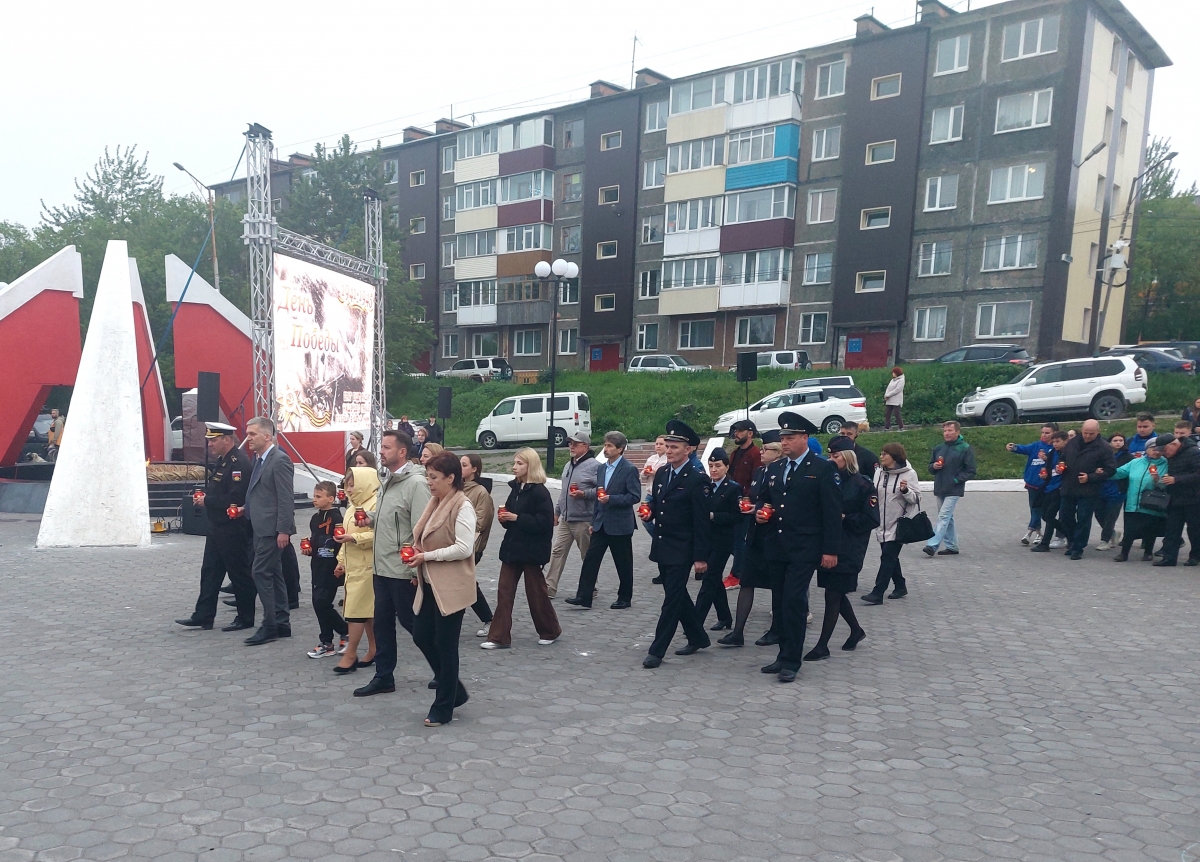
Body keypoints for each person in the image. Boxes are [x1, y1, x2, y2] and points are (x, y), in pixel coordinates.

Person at [755, 412, 841, 683]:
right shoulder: (776, 468)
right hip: (777, 545)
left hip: (805, 546)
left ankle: (792, 661)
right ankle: (782, 655)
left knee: (794, 601)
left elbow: (831, 512)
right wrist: (760, 512)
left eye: (790, 438)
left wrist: (830, 550)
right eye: (782, 438)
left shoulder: (822, 468)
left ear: (805, 438)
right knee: (779, 602)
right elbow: (766, 501)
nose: (785, 442)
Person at [353, 430, 432, 698]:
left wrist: (414, 569)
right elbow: (394, 518)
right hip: (381, 568)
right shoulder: (387, 480)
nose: (381, 452)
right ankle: (384, 676)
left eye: (386, 447)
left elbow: (420, 530)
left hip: (402, 569)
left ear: (402, 452)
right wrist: (372, 518)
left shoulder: (415, 484)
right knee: (382, 625)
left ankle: (446, 672)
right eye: (381, 447)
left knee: (415, 626)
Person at [408, 451, 477, 726]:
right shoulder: (437, 502)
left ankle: (444, 706)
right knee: (421, 635)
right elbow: (426, 536)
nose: (429, 482)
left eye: (434, 477)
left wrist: (427, 556)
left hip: (452, 585)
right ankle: (455, 689)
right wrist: (418, 552)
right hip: (429, 583)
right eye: (427, 476)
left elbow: (464, 547)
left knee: (447, 646)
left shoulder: (463, 505)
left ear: (451, 478)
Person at [639, 420, 713, 668]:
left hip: (683, 548)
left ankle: (657, 651)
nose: (669, 451)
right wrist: (650, 512)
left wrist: (701, 557)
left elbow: (702, 522)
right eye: (667, 446)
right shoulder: (661, 473)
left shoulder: (697, 479)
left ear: (688, 449)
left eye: (675, 447)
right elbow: (659, 505)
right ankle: (698, 636)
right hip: (662, 544)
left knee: (671, 600)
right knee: (677, 594)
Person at [175, 422, 257, 632]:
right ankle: (203, 615)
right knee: (210, 572)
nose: (210, 444)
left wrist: (207, 501)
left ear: (227, 440)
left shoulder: (238, 463)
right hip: (217, 527)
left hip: (231, 527)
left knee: (238, 573)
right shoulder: (223, 461)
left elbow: (235, 497)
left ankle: (246, 617)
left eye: (214, 440)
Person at [483, 448, 562, 649]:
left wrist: (517, 518)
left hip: (532, 551)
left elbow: (544, 523)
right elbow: (511, 517)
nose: (514, 467)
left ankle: (550, 630)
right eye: (515, 463)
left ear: (530, 465)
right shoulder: (516, 488)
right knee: (504, 592)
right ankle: (498, 637)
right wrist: (506, 519)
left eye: (519, 463)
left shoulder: (540, 491)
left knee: (536, 593)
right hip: (512, 549)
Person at [805, 437, 875, 660]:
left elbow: (871, 519)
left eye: (836, 456)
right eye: (830, 456)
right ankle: (856, 630)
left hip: (849, 545)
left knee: (833, 594)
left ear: (847, 457)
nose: (831, 460)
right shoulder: (828, 481)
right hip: (827, 543)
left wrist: (845, 518)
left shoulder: (862, 484)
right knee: (835, 591)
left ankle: (822, 645)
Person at [566, 431, 642, 609]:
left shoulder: (629, 469)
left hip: (620, 524)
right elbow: (598, 498)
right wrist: (594, 521)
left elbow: (634, 496)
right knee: (591, 559)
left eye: (609, 446)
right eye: (605, 445)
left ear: (620, 449)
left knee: (623, 563)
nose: (605, 449)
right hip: (601, 523)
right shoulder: (601, 468)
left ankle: (624, 598)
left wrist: (612, 499)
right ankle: (584, 596)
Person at [718, 436, 783, 647]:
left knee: (777, 584)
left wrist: (763, 509)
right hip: (755, 533)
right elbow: (755, 496)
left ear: (778, 452)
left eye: (767, 449)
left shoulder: (783, 472)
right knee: (747, 580)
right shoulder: (759, 472)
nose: (761, 452)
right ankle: (738, 632)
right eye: (762, 449)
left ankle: (776, 630)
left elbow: (781, 502)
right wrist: (747, 504)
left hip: (775, 534)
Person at [242, 417, 297, 646]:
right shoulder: (260, 459)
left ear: (267, 436)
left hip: (272, 529)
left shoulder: (279, 460)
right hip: (260, 525)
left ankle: (270, 624)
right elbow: (265, 492)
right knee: (273, 573)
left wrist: (283, 530)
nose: (248, 438)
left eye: (252, 434)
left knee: (260, 572)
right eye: (247, 434)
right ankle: (282, 622)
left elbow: (286, 499)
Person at [332, 467, 380, 673]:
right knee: (366, 611)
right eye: (347, 485)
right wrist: (341, 560)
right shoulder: (353, 506)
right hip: (354, 565)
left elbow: (380, 534)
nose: (349, 489)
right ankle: (374, 648)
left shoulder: (376, 503)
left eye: (353, 485)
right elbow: (346, 534)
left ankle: (351, 654)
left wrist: (355, 538)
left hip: (369, 565)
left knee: (355, 612)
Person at [862, 442, 921, 604]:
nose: (881, 457)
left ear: (894, 457)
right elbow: (874, 493)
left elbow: (916, 499)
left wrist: (905, 491)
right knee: (890, 557)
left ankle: (877, 592)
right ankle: (900, 585)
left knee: (887, 557)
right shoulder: (879, 473)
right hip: (881, 521)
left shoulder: (909, 474)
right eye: (881, 453)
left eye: (884, 454)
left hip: (899, 523)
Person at [691, 448, 741, 632]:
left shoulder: (733, 488)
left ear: (726, 467)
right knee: (714, 580)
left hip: (722, 541)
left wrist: (714, 516)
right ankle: (725, 617)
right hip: (706, 539)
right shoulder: (705, 486)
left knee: (709, 580)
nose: (714, 469)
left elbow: (737, 516)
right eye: (711, 466)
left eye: (718, 466)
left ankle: (695, 622)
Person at [545, 432, 599, 598]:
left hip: (584, 519)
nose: (572, 446)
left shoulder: (594, 466)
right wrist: (556, 511)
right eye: (570, 443)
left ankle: (591, 587)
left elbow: (603, 491)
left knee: (586, 555)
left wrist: (584, 494)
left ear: (586, 446)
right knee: (557, 552)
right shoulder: (568, 465)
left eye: (576, 444)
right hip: (566, 519)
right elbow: (563, 492)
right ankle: (549, 588)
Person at [1055, 419, 1117, 561]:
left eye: (1091, 433)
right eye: (1085, 433)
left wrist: (1091, 477)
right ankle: (1071, 541)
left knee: (1083, 518)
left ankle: (1078, 547)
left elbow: (1110, 469)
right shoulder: (1073, 442)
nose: (1087, 436)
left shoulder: (1104, 447)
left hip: (1088, 490)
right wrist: (1060, 466)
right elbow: (1062, 458)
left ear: (1098, 432)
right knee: (1065, 517)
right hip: (1069, 486)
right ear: (1081, 430)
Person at [303, 481, 349, 659]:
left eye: (319, 496)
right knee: (318, 603)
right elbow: (316, 540)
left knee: (321, 602)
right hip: (317, 565)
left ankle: (338, 634)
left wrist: (341, 562)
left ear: (331, 498)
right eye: (314, 496)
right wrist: (308, 548)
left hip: (331, 566)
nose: (315, 500)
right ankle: (330, 640)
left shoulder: (337, 518)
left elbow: (339, 541)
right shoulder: (315, 518)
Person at [923, 421, 976, 557]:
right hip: (940, 488)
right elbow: (930, 467)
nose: (947, 433)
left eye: (950, 430)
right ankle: (952, 546)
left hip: (954, 489)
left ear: (958, 432)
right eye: (945, 431)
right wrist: (934, 466)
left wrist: (956, 480)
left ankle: (932, 545)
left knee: (943, 516)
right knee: (947, 518)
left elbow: (971, 470)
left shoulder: (964, 448)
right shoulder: (939, 448)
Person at [1112, 441, 1169, 562]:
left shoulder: (1165, 463)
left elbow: (1167, 484)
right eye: (1153, 448)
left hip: (1153, 502)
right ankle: (1124, 554)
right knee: (1129, 529)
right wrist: (1104, 473)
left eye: (1159, 448)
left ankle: (1148, 552)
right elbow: (1120, 473)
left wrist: (1157, 480)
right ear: (1147, 449)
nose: (1156, 451)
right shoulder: (1135, 462)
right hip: (1133, 501)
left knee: (1150, 528)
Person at [460, 454, 496, 634]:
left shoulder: (481, 492)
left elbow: (481, 522)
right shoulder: (457, 488)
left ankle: (489, 619)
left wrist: (456, 523)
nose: (460, 467)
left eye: (464, 465)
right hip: (455, 544)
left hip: (472, 547)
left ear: (474, 469)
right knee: (463, 582)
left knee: (465, 582)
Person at [1006, 423, 1058, 545]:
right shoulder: (1036, 445)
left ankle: (1031, 532)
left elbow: (1058, 464)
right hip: (1032, 484)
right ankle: (1038, 534)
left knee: (1043, 511)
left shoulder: (1055, 449)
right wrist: (1014, 447)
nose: (1044, 435)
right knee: (1035, 509)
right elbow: (1024, 448)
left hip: (1047, 486)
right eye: (1043, 432)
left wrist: (1047, 459)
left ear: (1054, 433)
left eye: (1047, 433)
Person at [1153, 432, 1200, 567]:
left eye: (1164, 450)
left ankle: (1195, 556)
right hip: (1175, 497)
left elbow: (1198, 474)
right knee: (1172, 529)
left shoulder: (1194, 452)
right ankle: (1169, 557)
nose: (1163, 453)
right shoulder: (1171, 455)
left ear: (1174, 444)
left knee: (1195, 529)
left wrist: (1176, 479)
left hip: (1194, 498)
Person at [726, 420, 762, 590]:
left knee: (739, 539)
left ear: (750, 433)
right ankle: (746, 564)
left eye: (739, 431)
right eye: (735, 431)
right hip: (732, 502)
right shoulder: (734, 453)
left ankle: (737, 574)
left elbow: (756, 479)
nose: (736, 434)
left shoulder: (755, 453)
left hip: (746, 504)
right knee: (733, 540)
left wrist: (748, 499)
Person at [1030, 431, 1071, 553]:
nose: (1055, 444)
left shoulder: (1069, 454)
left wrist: (1064, 471)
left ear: (1066, 441)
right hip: (1049, 486)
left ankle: (1045, 543)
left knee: (1050, 516)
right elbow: (1049, 467)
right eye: (1053, 442)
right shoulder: (1053, 453)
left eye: (1058, 441)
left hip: (1060, 488)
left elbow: (1071, 468)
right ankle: (1071, 535)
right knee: (1045, 515)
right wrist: (1044, 473)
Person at [1095, 433, 1132, 551]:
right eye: (1115, 440)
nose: (1118, 442)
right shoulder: (1103, 455)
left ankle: (1104, 540)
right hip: (1102, 489)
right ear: (1109, 442)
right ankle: (1113, 533)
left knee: (1111, 517)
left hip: (1117, 491)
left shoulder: (1128, 457)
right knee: (1099, 515)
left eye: (1121, 440)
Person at [883, 367, 905, 431]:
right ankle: (887, 427)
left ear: (897, 373)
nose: (892, 374)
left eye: (894, 373)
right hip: (890, 399)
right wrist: (886, 395)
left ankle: (901, 427)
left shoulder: (901, 380)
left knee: (896, 413)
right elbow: (888, 388)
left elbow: (898, 390)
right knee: (887, 413)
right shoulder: (892, 380)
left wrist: (888, 395)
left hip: (896, 400)